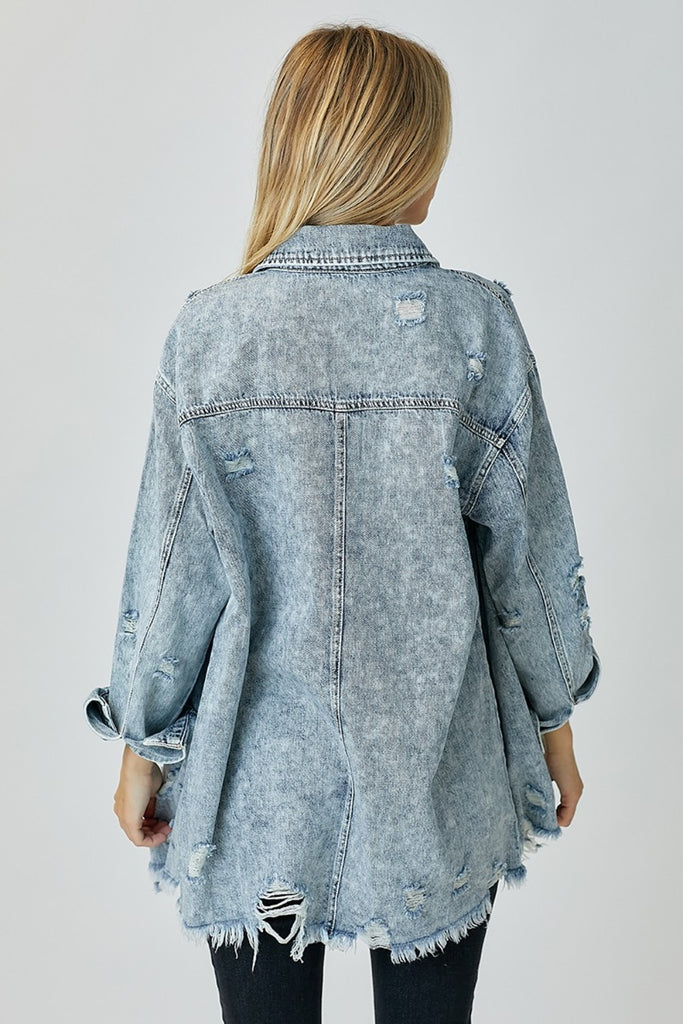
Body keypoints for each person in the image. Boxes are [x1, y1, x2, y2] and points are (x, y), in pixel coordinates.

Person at [83, 22, 601, 1024]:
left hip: (259, 792)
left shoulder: (209, 335)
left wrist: (140, 748)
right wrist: (554, 725)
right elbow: (529, 564)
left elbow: (171, 572)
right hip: (438, 777)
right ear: (407, 160)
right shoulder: (474, 327)